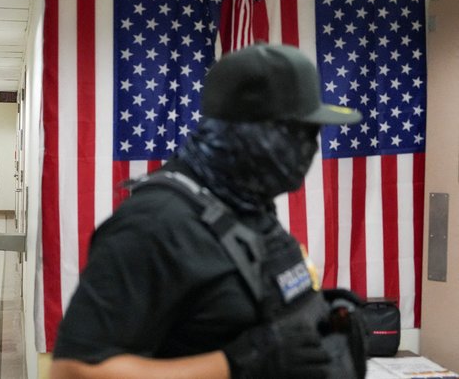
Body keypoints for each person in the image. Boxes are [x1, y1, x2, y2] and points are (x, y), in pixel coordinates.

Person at [50, 44, 367, 379]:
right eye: (297, 134)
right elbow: (73, 371)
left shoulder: (245, 204)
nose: (310, 149)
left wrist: (317, 316)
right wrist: (236, 363)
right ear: (247, 132)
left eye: (314, 134)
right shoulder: (154, 223)